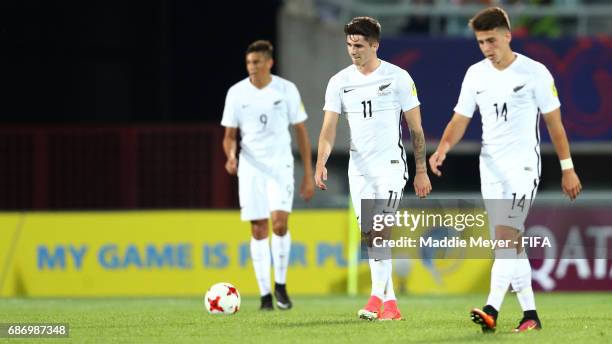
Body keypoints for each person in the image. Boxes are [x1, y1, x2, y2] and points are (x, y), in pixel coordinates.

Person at [429, 7, 582, 333]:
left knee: (505, 238)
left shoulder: (535, 73)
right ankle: (530, 316)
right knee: (510, 245)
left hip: (523, 166)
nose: (487, 47)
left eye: (492, 40)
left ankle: (491, 309)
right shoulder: (475, 75)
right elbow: (460, 119)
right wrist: (442, 147)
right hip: (491, 168)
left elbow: (555, 125)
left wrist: (568, 168)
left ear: (508, 36)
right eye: (481, 42)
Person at [315, 17, 432, 321]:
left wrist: (421, 170)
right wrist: (321, 162)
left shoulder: (398, 77)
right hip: (359, 169)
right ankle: (391, 305)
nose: (353, 51)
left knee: (380, 230)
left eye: (359, 45)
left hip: (391, 166)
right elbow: (328, 128)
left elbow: (416, 129)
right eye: (349, 45)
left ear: (375, 45)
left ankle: (374, 298)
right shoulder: (339, 81)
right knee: (371, 236)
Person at [221, 40, 315, 311]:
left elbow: (301, 133)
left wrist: (308, 174)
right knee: (258, 228)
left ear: (269, 63)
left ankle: (281, 286)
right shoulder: (236, 93)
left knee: (279, 224)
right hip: (250, 168)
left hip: (280, 165)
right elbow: (229, 137)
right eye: (249, 63)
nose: (252, 67)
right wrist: (229, 155)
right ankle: (264, 296)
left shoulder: (286, 89)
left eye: (257, 62)